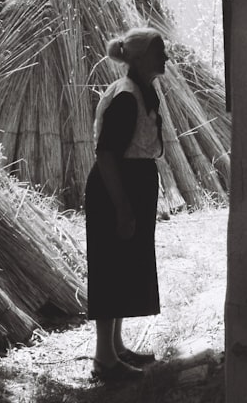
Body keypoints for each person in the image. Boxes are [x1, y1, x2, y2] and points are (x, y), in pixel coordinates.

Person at [86, 27, 168, 381]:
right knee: (110, 268)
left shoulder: (142, 91)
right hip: (115, 186)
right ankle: (103, 361)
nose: (165, 58)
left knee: (122, 267)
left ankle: (115, 348)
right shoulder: (126, 97)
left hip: (132, 183)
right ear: (138, 58)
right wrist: (121, 207)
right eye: (158, 51)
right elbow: (106, 155)